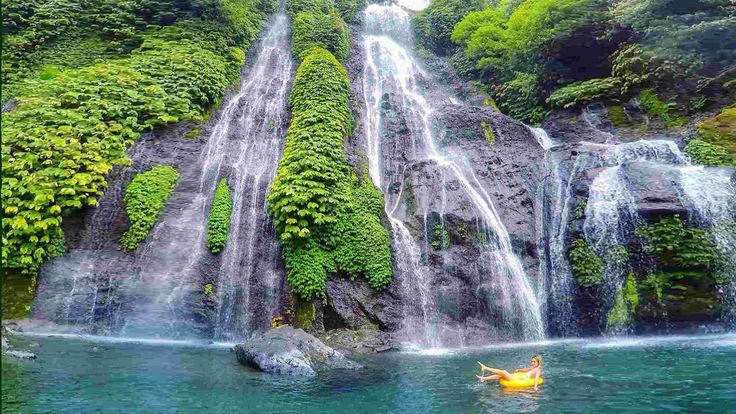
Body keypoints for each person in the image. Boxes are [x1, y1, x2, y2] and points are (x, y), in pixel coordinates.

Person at [476, 355, 543, 390]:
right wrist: (519, 370)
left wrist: (535, 387)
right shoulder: (532, 368)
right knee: (500, 376)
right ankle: (483, 378)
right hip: (520, 378)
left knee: (503, 372)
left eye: (534, 362)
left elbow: (536, 378)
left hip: (518, 380)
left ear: (538, 362)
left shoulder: (538, 370)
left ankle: (485, 367)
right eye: (532, 361)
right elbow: (525, 370)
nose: (532, 363)